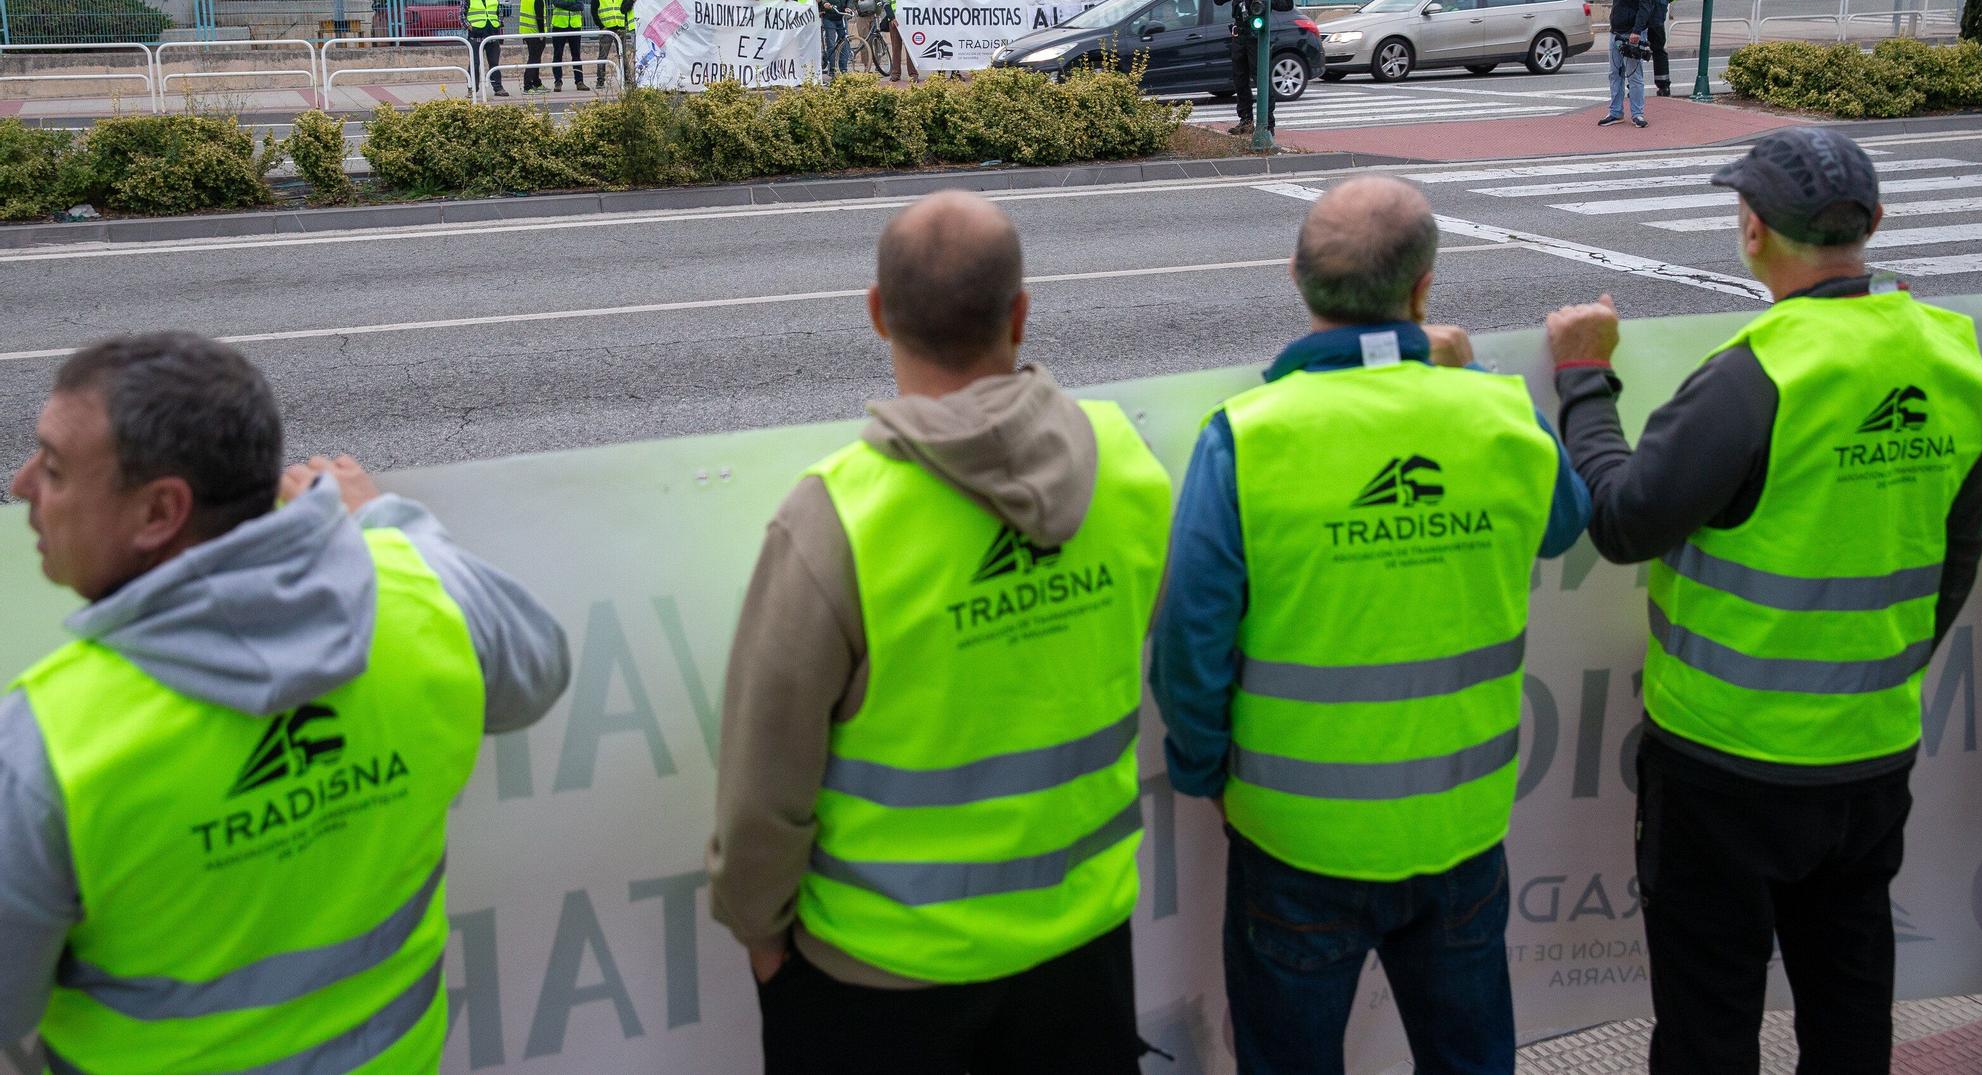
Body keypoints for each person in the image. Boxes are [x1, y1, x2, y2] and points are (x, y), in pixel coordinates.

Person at [1543, 128, 1982, 1075]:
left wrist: (1585, 381)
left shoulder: (1757, 374)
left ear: (1752, 231)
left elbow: (1626, 521)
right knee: (1849, 999)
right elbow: (1956, 549)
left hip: (1726, 763)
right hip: (1870, 752)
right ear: (1872, 224)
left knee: (1710, 1020)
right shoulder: (1953, 360)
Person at [0, 332, 572, 1072]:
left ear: (158, 513)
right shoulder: (417, 604)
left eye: (53, 465)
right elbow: (540, 666)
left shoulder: (45, 743)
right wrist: (382, 523)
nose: (19, 485)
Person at [709, 191, 1172, 1075]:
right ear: (1022, 313)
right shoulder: (1120, 460)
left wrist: (761, 936)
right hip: (1080, 947)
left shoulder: (837, 517)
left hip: (880, 975)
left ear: (878, 315)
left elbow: (763, 784)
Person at [1154, 177, 1589, 1075]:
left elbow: (1191, 647)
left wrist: (1207, 774)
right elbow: (1567, 519)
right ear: (1426, 287)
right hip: (1459, 830)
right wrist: (1463, 372)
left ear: (1295, 277)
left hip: (1294, 838)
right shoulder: (1497, 414)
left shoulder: (1246, 437)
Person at [1213, 0, 1294, 136]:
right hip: (1239, 36)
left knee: (1262, 81)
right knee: (1240, 81)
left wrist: (1265, 0)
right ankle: (1246, 121)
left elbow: (1287, 4)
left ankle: (1267, 125)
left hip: (1257, 38)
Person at [1598, 0, 1662, 129]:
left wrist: (1636, 31)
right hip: (1616, 32)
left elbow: (1645, 6)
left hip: (1632, 33)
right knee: (1615, 73)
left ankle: (1637, 113)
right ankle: (1615, 112)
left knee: (1634, 75)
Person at [463, 0, 507, 97]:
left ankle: (498, 88)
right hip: (476, 36)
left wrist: (499, 23)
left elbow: (499, 11)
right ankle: (472, 90)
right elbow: (461, 15)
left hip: (491, 34)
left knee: (494, 63)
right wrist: (470, 27)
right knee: (475, 64)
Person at [592, 0, 633, 90]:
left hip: (620, 28)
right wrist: (601, 26)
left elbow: (625, 8)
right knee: (603, 55)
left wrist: (631, 0)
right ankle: (600, 80)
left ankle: (627, 79)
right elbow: (594, 11)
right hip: (607, 29)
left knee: (623, 55)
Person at [545, 0, 585, 92]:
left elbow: (580, 6)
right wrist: (571, 4)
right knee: (557, 55)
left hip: (574, 27)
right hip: (559, 27)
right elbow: (557, 3)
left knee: (576, 55)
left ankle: (579, 81)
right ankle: (558, 81)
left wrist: (566, 4)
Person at [817, 0, 852, 76]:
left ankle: (843, 68)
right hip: (829, 17)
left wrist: (848, 7)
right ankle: (832, 69)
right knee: (831, 43)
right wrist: (825, 3)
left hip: (841, 16)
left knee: (844, 42)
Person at [883, 0, 918, 83]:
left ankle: (913, 74)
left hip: (909, 22)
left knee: (910, 49)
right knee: (896, 48)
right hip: (895, 22)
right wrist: (892, 18)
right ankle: (895, 73)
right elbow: (886, 3)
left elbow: (918, 0)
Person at [517, 0, 547, 94]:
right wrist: (541, 34)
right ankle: (527, 85)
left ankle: (536, 82)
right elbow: (539, 18)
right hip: (535, 33)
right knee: (534, 59)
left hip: (525, 32)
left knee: (535, 58)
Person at [852, 0, 885, 68]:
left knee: (876, 39)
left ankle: (878, 65)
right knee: (865, 40)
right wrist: (859, 9)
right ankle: (867, 65)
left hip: (875, 14)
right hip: (863, 16)